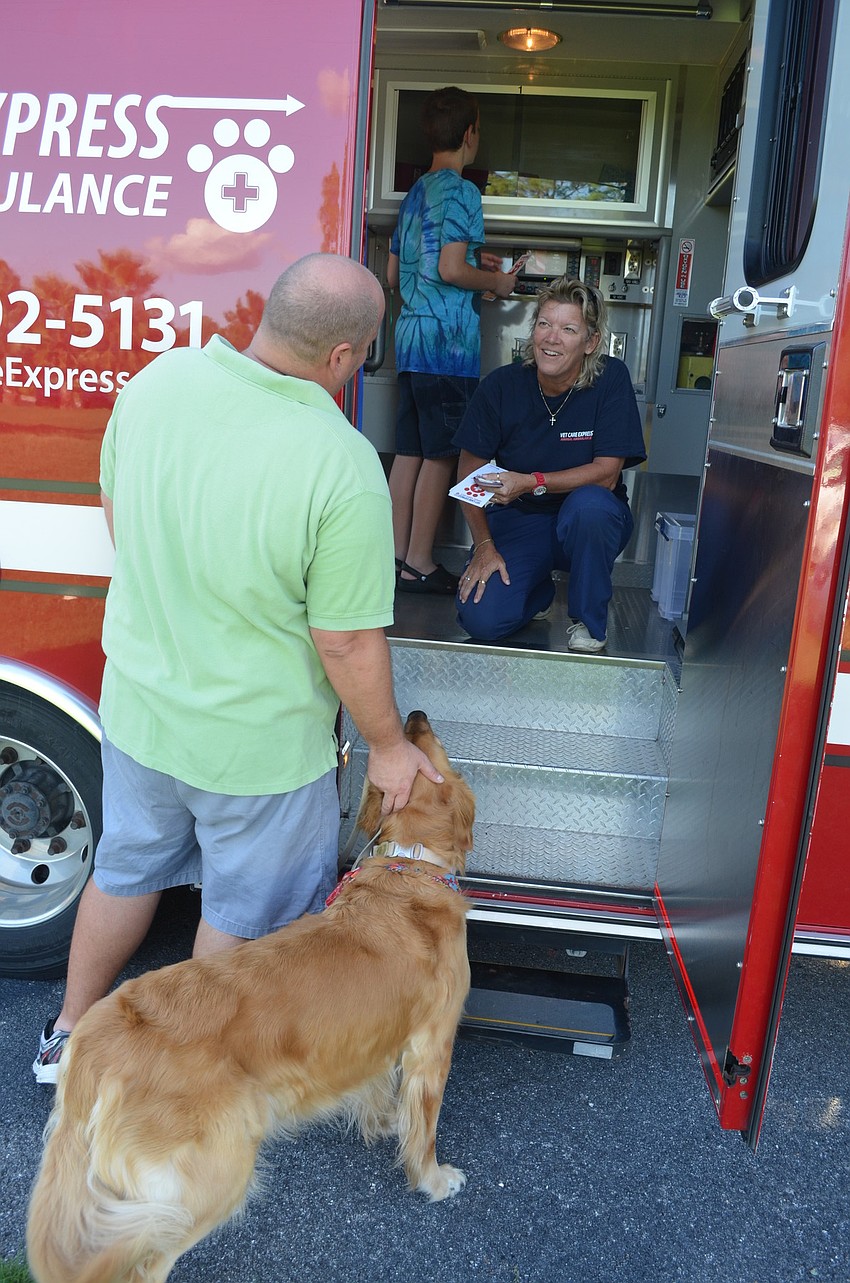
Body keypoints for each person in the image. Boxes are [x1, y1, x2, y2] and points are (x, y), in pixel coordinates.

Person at [32, 253, 443, 1085]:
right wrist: (390, 747)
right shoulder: (341, 461)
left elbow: (120, 511)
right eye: (363, 350)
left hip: (142, 713)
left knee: (123, 868)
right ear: (342, 357)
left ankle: (69, 1036)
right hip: (256, 750)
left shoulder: (158, 383)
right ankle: (183, 1072)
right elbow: (347, 642)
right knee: (238, 911)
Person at [453, 277, 646, 652]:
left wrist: (530, 481)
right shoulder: (501, 386)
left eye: (568, 329)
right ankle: (536, 591)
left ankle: (588, 622)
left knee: (589, 506)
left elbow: (607, 474)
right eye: (544, 324)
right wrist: (484, 546)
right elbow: (468, 472)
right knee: (481, 620)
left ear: (590, 343)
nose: (552, 338)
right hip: (521, 520)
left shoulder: (610, 380)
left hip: (589, 521)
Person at [387, 85, 516, 595]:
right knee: (443, 455)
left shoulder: (415, 193)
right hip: (447, 345)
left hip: (410, 339)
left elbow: (398, 274)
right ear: (470, 134)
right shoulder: (462, 193)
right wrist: (498, 282)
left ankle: (396, 559)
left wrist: (468, 269)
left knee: (409, 453)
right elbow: (449, 267)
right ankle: (421, 561)